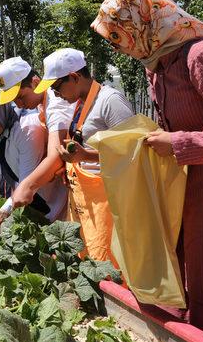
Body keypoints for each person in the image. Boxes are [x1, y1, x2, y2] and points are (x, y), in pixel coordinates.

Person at [91, 0, 203, 341]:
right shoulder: (156, 66)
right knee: (192, 285)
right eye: (113, 40)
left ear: (143, 22)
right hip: (185, 195)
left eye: (119, 36)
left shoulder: (200, 57)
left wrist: (182, 143)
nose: (118, 47)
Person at [36, 48, 134, 263]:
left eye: (56, 87)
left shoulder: (110, 101)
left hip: (108, 202)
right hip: (85, 201)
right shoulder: (79, 103)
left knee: (107, 261)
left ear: (74, 77)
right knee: (88, 257)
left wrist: (86, 157)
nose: (54, 94)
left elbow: (133, 152)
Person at [0, 57, 72, 230]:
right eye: (14, 100)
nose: (18, 104)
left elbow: (55, 156)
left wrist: (24, 188)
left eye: (20, 97)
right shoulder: (42, 105)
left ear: (35, 82)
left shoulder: (55, 105)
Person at [0, 80, 66, 222]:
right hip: (29, 196)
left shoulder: (26, 130)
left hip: (48, 196)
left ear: (3, 111)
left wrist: (3, 212)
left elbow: (27, 181)